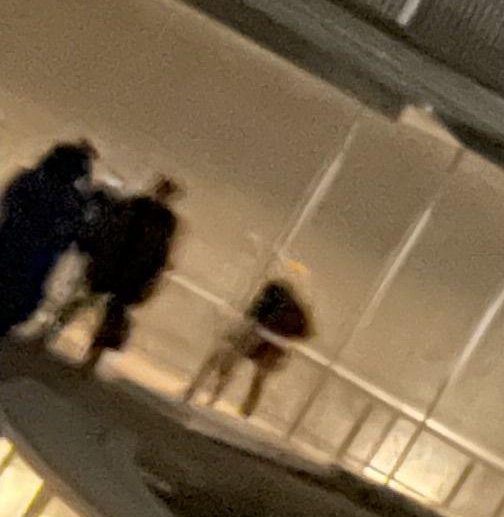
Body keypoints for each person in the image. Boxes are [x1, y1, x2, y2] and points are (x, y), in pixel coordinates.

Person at [62, 174, 181, 371]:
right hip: (120, 265)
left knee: (106, 311)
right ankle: (75, 348)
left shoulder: (150, 213)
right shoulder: (145, 210)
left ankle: (90, 357)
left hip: (128, 270)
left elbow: (159, 252)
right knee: (92, 304)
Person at [0, 141, 102, 342]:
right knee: (16, 303)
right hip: (35, 257)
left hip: (11, 243)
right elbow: (74, 232)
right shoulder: (71, 199)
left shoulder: (32, 179)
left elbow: (9, 202)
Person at [187, 265, 314, 419]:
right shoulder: (297, 307)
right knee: (258, 378)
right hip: (273, 345)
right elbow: (305, 333)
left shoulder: (275, 292)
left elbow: (253, 313)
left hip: (260, 337)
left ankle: (202, 391)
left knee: (228, 359)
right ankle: (243, 410)